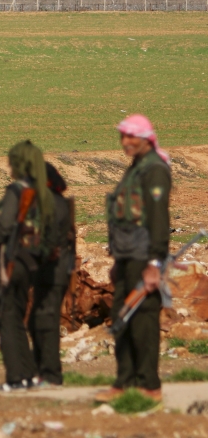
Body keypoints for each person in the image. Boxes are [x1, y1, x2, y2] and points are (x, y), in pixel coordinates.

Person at [95, 115, 172, 403]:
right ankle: (124, 382)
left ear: (145, 138)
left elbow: (157, 218)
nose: (125, 142)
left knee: (143, 322)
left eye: (131, 137)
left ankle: (149, 386)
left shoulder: (155, 170)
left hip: (145, 257)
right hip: (127, 256)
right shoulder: (136, 168)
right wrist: (117, 259)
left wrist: (155, 264)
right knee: (121, 317)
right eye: (122, 137)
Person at [0, 140, 53, 392]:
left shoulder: (17, 191)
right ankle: (29, 375)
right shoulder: (43, 193)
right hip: (30, 262)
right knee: (17, 319)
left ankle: (16, 378)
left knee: (7, 320)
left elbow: (4, 227)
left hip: (7, 262)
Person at [29, 162, 75, 388]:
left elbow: (50, 242)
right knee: (36, 321)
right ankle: (41, 371)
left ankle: (51, 375)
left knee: (46, 321)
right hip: (46, 271)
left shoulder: (54, 205)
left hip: (53, 271)